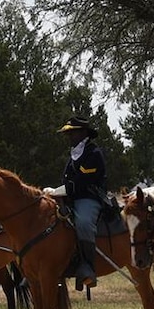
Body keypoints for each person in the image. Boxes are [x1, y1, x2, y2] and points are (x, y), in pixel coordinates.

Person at [51, 117, 106, 282]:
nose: (69, 137)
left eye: (72, 133)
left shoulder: (93, 153)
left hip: (89, 197)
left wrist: (61, 191)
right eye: (68, 133)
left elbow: (82, 182)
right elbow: (66, 179)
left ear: (83, 133)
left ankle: (88, 266)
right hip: (71, 198)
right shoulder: (74, 154)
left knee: (83, 222)